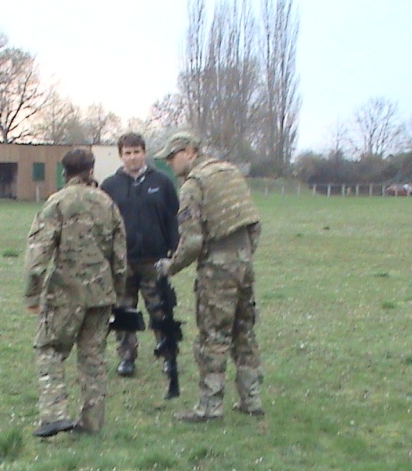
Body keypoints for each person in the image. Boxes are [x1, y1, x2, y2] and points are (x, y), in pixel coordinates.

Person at [153, 131, 264, 422]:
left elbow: (192, 242)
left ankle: (209, 406)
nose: (170, 163)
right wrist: (244, 255)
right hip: (243, 264)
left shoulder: (194, 184)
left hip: (216, 270)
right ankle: (251, 398)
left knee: (213, 336)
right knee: (244, 332)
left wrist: (170, 267)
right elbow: (254, 224)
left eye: (173, 156)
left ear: (190, 151)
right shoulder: (230, 172)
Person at [24, 148, 127, 438]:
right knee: (93, 357)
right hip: (101, 294)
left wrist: (32, 294)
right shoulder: (108, 204)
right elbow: (120, 256)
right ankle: (92, 422)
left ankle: (55, 413)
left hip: (65, 294)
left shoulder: (56, 203)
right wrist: (116, 293)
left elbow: (38, 252)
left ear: (64, 172)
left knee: (49, 349)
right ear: (91, 171)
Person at [100, 132, 179, 377]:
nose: (132, 157)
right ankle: (126, 357)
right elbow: (103, 223)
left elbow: (174, 218)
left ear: (144, 153)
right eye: (127, 153)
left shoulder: (163, 183)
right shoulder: (110, 186)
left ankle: (167, 355)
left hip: (154, 260)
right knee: (124, 312)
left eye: (137, 152)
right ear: (120, 155)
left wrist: (175, 250)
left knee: (161, 309)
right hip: (123, 261)